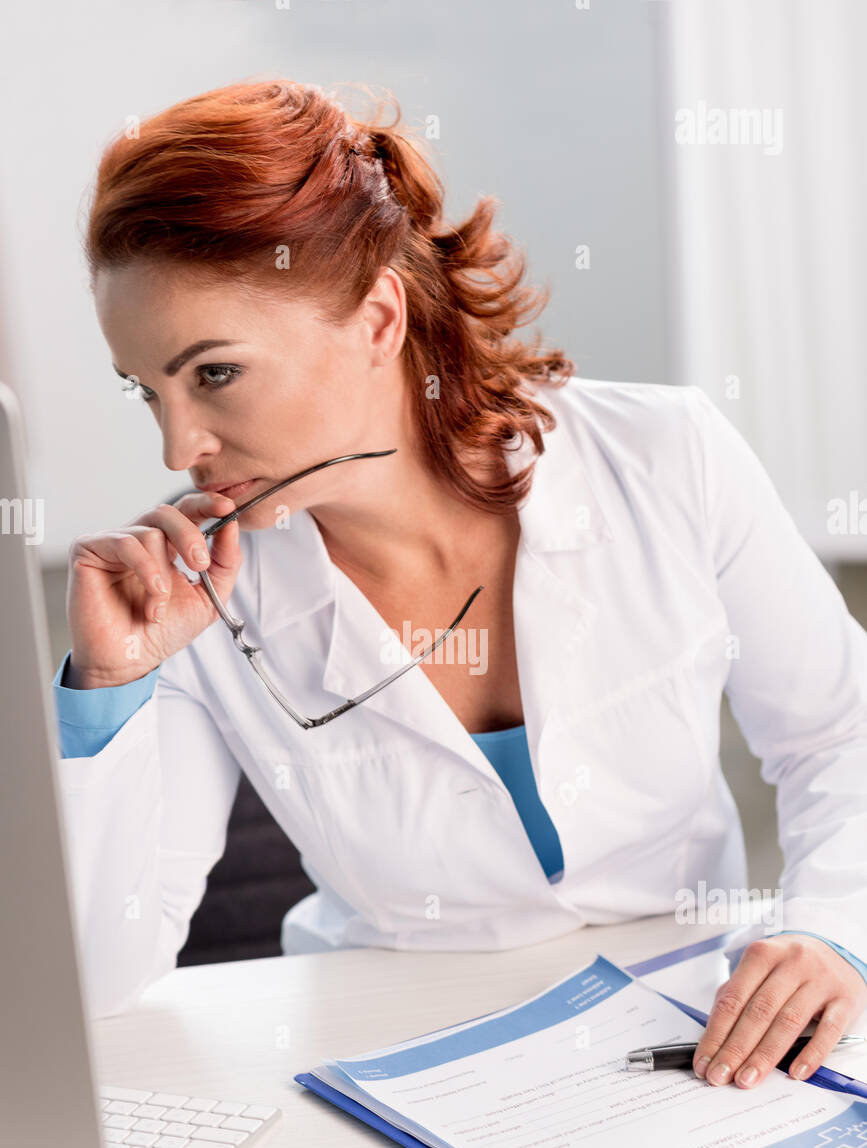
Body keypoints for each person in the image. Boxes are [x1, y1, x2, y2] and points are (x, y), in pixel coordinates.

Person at [54, 78, 867, 1094]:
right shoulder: (196, 598)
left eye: (214, 373)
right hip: (399, 1065)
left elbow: (838, 734)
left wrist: (834, 927)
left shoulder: (666, 457)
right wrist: (110, 686)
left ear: (377, 318)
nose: (180, 448)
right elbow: (97, 977)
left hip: (698, 1047)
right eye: (148, 390)